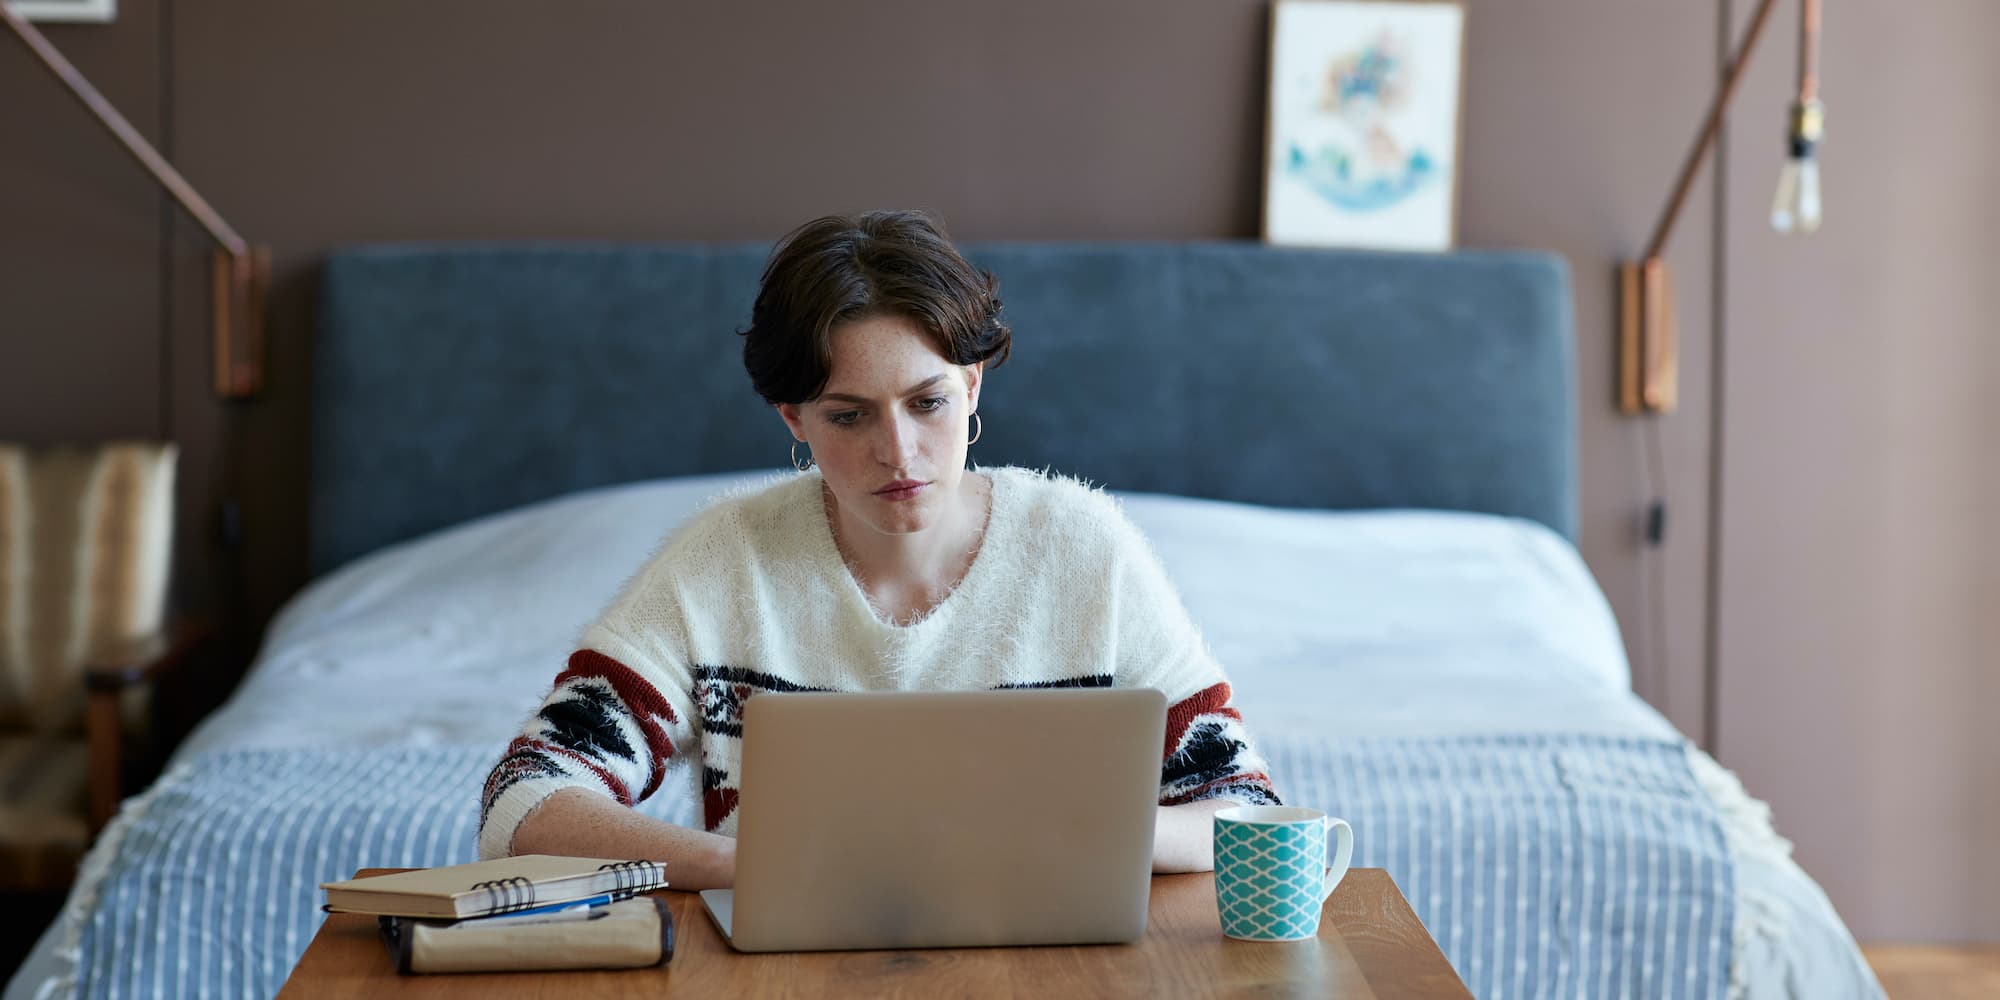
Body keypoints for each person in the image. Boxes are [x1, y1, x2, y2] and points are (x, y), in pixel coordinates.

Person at [476, 210, 1280, 891]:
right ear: (793, 417)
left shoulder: (1087, 552)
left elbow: (1249, 813)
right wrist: (749, 867)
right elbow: (524, 795)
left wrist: (1075, 838)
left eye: (927, 403)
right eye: (848, 415)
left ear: (971, 385)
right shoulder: (721, 564)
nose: (898, 453)